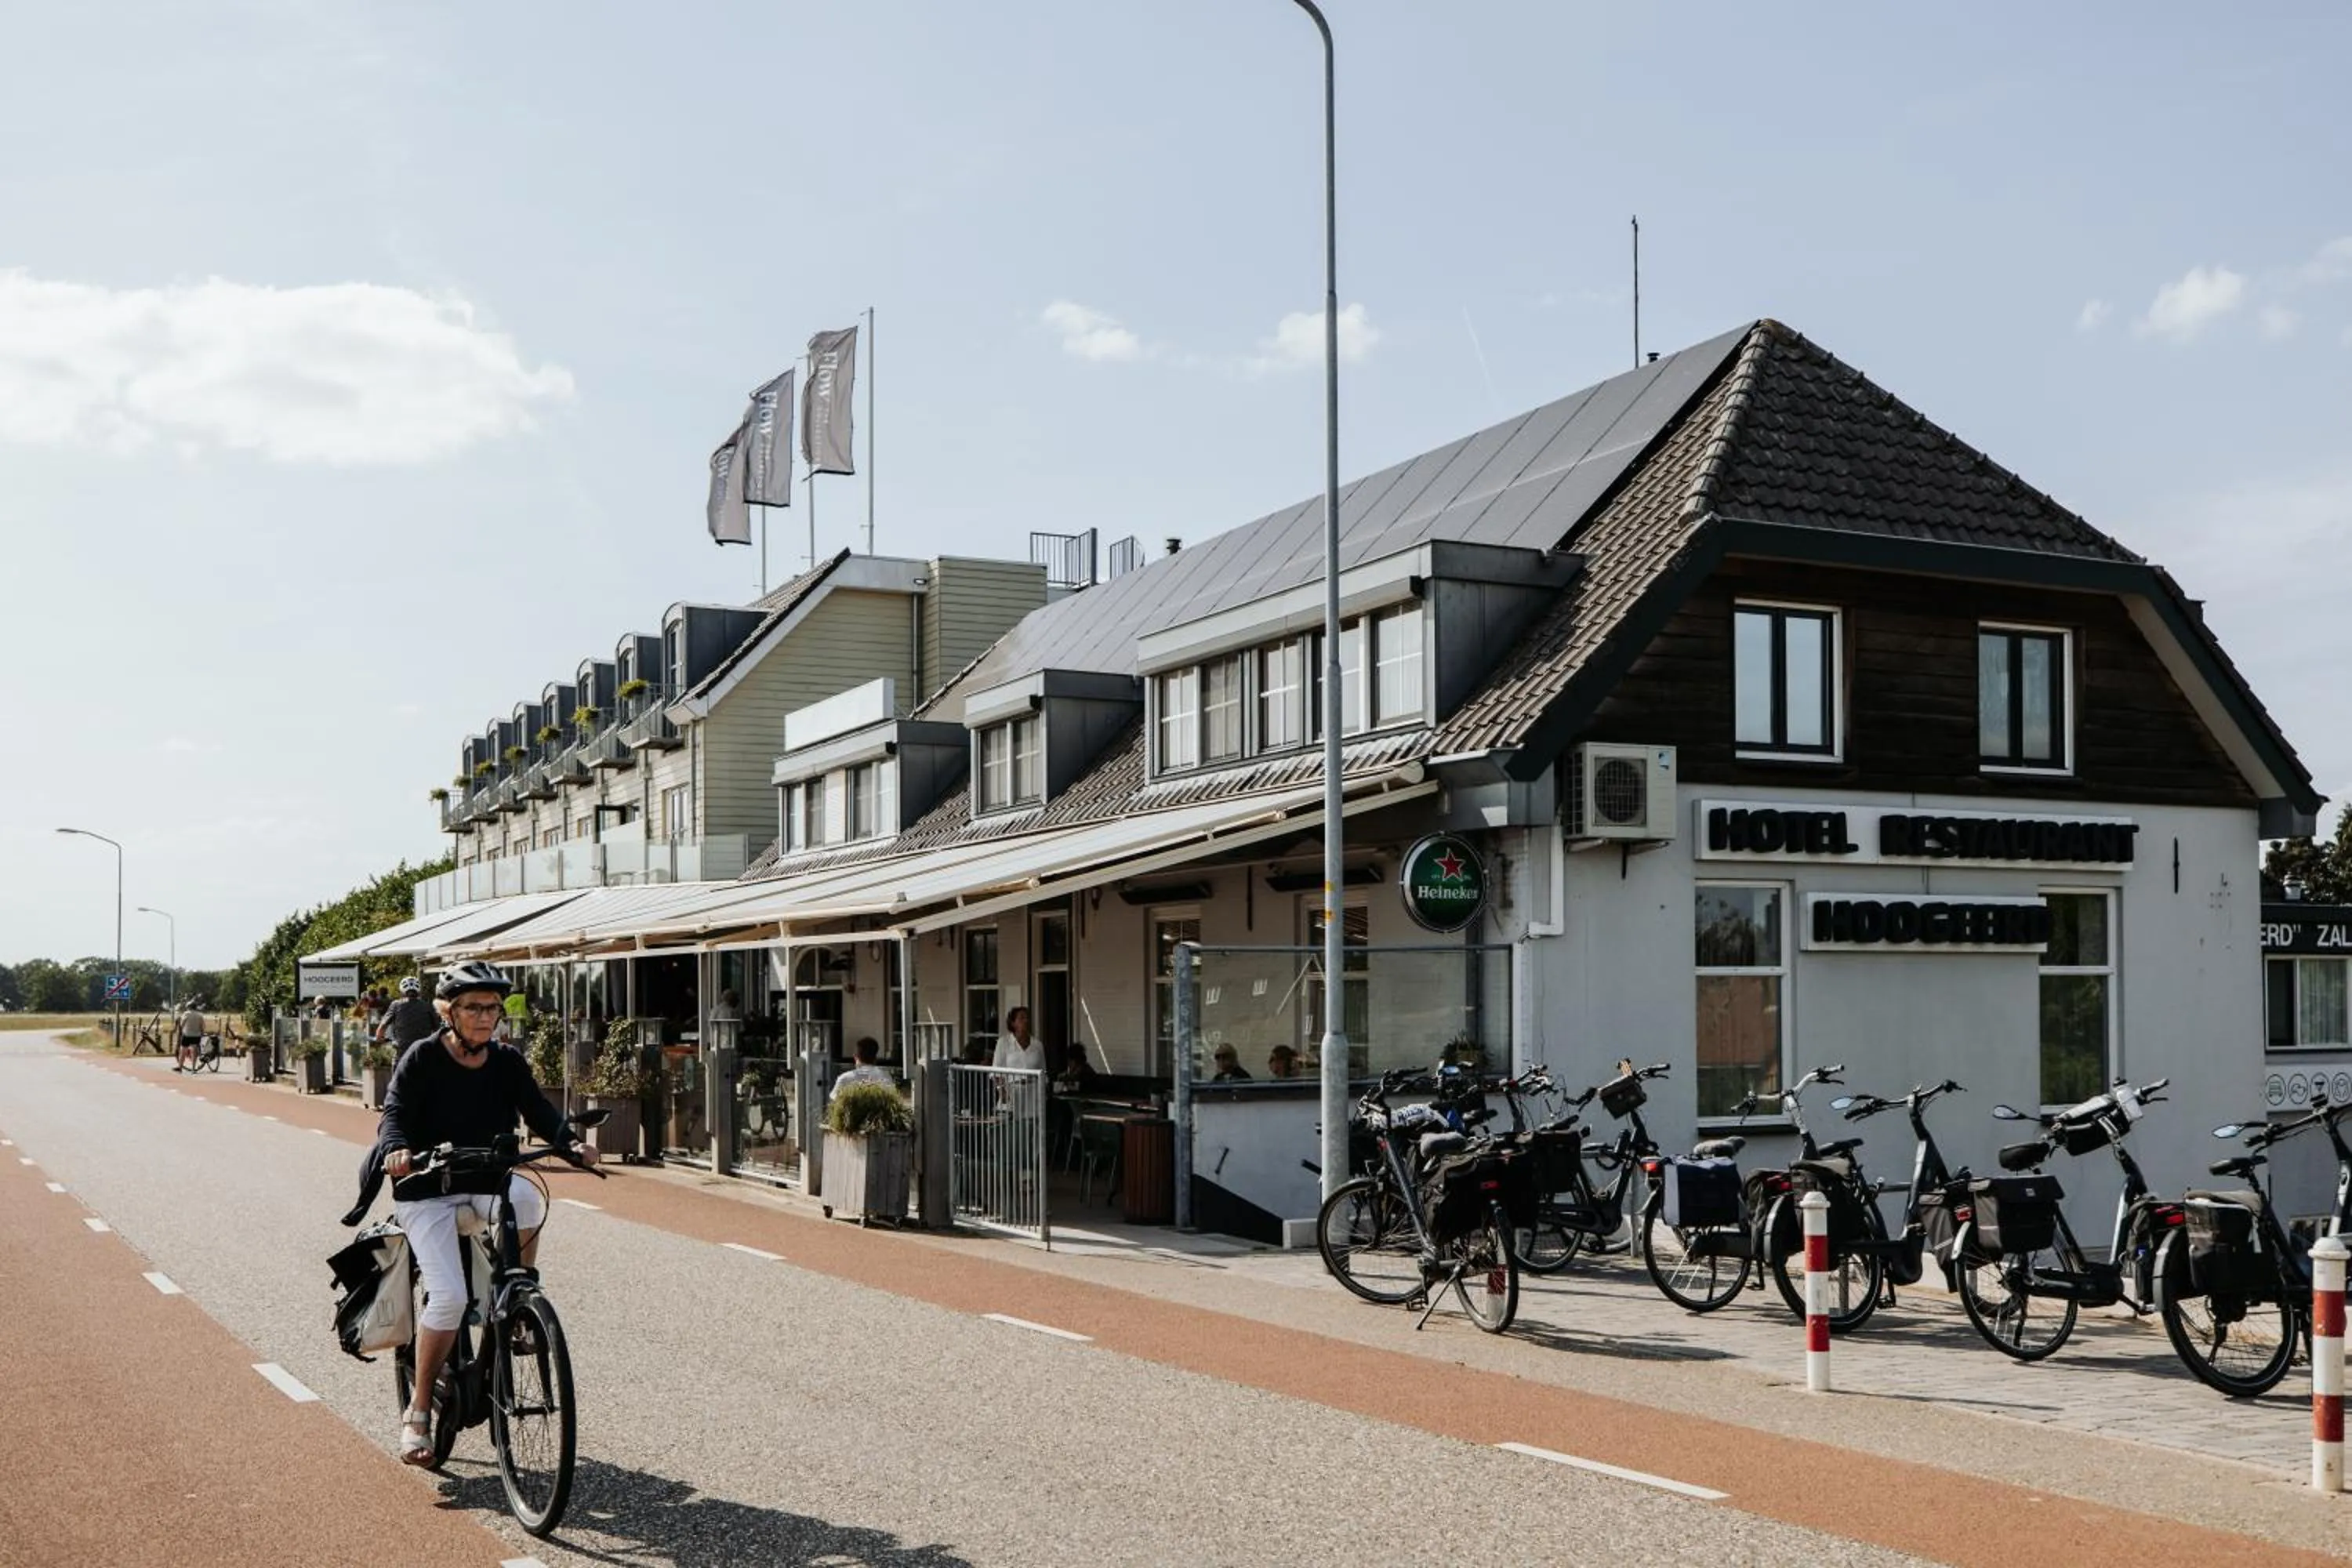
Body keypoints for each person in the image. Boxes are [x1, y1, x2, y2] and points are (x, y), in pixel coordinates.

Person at [366, 960, 594, 1466]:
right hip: (428, 1188)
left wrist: (571, 1142)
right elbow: (395, 1112)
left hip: (486, 1180)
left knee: (532, 1198)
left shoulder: (508, 1062)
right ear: (448, 1011)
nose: (486, 1016)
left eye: (493, 1007)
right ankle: (419, 1412)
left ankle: (517, 1291)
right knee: (448, 1297)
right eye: (475, 1007)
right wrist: (399, 1149)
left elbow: (540, 1111)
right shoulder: (423, 1057)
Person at [378, 977, 441, 1052]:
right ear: (418, 991)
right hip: (422, 1048)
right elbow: (437, 1028)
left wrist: (380, 1036)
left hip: (402, 1048)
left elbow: (383, 1025)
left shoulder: (396, 1005)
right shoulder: (428, 1006)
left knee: (398, 1062)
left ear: (402, 991)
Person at [829, 1037, 894, 1100]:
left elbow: (835, 1101)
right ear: (875, 1057)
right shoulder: (885, 1077)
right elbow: (892, 1100)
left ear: (856, 1057)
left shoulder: (845, 1078)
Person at [991, 1006, 1044, 1074]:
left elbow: (1043, 1072)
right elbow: (996, 1072)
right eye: (1022, 1018)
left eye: (1027, 1018)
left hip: (1033, 1084)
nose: (1026, 1021)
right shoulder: (1003, 1043)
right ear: (1013, 1023)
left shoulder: (1037, 1045)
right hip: (1011, 1084)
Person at [174, 997, 206, 1072]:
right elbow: (203, 1026)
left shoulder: (186, 1014)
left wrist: (181, 1031)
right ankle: (193, 1068)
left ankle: (180, 1067)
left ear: (188, 1007)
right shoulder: (200, 1015)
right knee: (194, 1051)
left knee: (183, 1051)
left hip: (187, 1035)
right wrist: (201, 1033)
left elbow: (182, 1024)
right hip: (196, 1035)